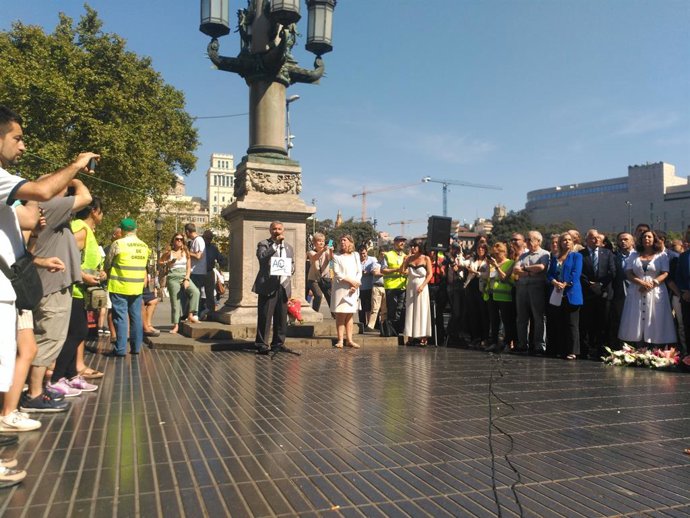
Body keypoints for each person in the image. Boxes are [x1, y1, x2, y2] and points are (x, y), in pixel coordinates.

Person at [0, 105, 98, 482]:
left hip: (11, 290)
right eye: (17, 138)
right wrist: (75, 166)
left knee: (12, 365)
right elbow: (41, 192)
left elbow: (29, 217)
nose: (23, 146)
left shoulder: (10, 190)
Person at [25, 178, 93, 403]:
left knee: (47, 338)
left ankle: (37, 387)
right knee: (50, 338)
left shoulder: (50, 212)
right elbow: (86, 197)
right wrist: (75, 178)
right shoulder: (52, 205)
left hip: (53, 285)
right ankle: (35, 394)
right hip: (53, 287)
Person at [47, 196, 105, 396]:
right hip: (72, 289)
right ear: (94, 211)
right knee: (78, 332)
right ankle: (56, 378)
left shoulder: (85, 230)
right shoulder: (81, 229)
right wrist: (84, 276)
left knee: (77, 332)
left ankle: (71, 375)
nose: (102, 216)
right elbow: (64, 257)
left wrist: (97, 273)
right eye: (101, 211)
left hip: (80, 289)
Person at [618, 230, 677, 346]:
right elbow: (629, 273)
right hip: (637, 290)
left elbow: (665, 273)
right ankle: (638, 347)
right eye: (644, 237)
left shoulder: (662, 255)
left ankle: (655, 348)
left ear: (654, 239)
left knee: (655, 317)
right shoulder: (634, 255)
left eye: (649, 237)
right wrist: (641, 283)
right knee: (636, 317)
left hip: (656, 290)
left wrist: (652, 283)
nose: (646, 239)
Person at [105, 218, 150, 356]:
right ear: (136, 229)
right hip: (136, 287)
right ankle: (136, 348)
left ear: (123, 230)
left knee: (121, 317)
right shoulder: (144, 246)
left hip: (119, 286)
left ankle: (120, 349)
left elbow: (108, 263)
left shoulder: (118, 243)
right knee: (136, 317)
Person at [253, 221, 294, 354]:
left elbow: (292, 264)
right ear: (270, 231)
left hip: (283, 286)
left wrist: (291, 269)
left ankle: (278, 343)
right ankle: (261, 344)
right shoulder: (264, 244)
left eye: (279, 229)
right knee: (265, 316)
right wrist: (275, 245)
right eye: (274, 229)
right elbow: (262, 258)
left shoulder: (288, 247)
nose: (277, 231)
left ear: (283, 230)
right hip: (267, 285)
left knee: (281, 318)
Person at [579, 228, 616, 360]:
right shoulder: (580, 254)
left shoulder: (608, 253)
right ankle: (585, 350)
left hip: (604, 293)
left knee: (603, 324)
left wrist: (600, 285)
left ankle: (602, 350)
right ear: (587, 239)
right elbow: (579, 273)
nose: (596, 240)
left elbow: (612, 271)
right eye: (593, 238)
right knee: (586, 324)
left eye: (598, 238)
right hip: (587, 293)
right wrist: (590, 285)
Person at [546, 232, 583, 360]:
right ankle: (561, 349)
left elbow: (576, 273)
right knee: (559, 323)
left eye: (569, 240)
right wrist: (554, 282)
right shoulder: (556, 257)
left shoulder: (576, 256)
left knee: (572, 324)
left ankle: (573, 351)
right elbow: (549, 274)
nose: (566, 242)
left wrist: (565, 284)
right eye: (564, 240)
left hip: (571, 293)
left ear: (573, 242)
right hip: (557, 293)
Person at [512, 231, 550, 355]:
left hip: (536, 288)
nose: (527, 241)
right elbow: (516, 269)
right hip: (522, 288)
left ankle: (539, 345)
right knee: (521, 318)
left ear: (538, 241)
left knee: (538, 317)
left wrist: (524, 268)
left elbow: (541, 267)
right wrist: (530, 271)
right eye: (527, 239)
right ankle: (522, 344)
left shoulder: (544, 254)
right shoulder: (523, 255)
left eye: (529, 239)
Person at [159, 233, 200, 334]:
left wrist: (186, 278)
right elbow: (160, 261)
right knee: (175, 302)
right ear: (173, 240)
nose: (179, 241)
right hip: (173, 277)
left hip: (183, 276)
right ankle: (176, 325)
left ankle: (190, 315)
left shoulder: (186, 251)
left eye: (181, 239)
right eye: (177, 239)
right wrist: (167, 263)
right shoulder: (169, 252)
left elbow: (188, 267)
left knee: (195, 292)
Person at [331, 235, 362, 348]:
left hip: (353, 289)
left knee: (349, 314)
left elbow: (359, 271)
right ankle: (340, 340)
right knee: (341, 314)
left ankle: (349, 340)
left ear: (350, 242)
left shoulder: (355, 255)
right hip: (341, 288)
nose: (342, 242)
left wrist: (356, 283)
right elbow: (337, 273)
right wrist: (351, 282)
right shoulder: (336, 256)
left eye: (344, 240)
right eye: (341, 240)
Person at [485, 242, 516, 353]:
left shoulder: (510, 263)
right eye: (494, 254)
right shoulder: (493, 263)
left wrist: (496, 266)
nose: (496, 256)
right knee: (494, 320)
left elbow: (504, 278)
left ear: (504, 252)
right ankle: (494, 342)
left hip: (505, 296)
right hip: (492, 295)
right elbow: (488, 277)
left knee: (507, 321)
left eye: (498, 254)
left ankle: (508, 342)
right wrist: (489, 265)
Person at [401, 239, 433, 346]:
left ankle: (423, 337)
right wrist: (404, 261)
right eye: (412, 246)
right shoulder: (409, 258)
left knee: (422, 310)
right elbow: (402, 271)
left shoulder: (426, 258)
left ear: (420, 247)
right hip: (410, 285)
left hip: (421, 286)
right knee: (410, 310)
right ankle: (410, 336)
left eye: (415, 246)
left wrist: (423, 285)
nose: (413, 248)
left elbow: (429, 274)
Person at [610, 232, 634, 349]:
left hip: (635, 293)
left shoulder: (638, 256)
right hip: (619, 294)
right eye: (621, 240)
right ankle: (622, 347)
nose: (623, 242)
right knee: (620, 321)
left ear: (632, 241)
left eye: (626, 239)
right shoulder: (614, 257)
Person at [380, 236, 408, 336]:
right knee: (391, 309)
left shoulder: (406, 256)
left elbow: (407, 270)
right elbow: (383, 270)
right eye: (400, 241)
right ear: (395, 242)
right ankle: (390, 330)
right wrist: (397, 270)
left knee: (400, 309)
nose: (402, 243)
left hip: (402, 286)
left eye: (403, 241)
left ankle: (396, 330)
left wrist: (406, 272)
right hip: (391, 286)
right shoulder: (388, 255)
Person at [464, 242, 490, 347]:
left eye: (483, 248)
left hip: (482, 289)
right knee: (473, 314)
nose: (481, 249)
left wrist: (476, 273)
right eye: (479, 248)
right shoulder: (472, 259)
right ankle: (475, 337)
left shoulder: (488, 261)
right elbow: (463, 263)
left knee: (483, 314)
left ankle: (484, 338)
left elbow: (487, 274)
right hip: (471, 288)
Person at [306, 233, 332, 312]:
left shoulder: (326, 252)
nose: (321, 243)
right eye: (319, 241)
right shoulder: (310, 252)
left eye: (323, 241)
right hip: (313, 278)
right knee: (318, 295)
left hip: (325, 279)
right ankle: (315, 312)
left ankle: (335, 315)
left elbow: (331, 258)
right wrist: (323, 250)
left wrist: (330, 251)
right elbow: (315, 257)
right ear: (314, 243)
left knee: (330, 297)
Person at [201, 229, 223, 319]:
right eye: (207, 238)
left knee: (210, 295)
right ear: (203, 237)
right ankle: (195, 313)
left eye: (210, 238)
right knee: (196, 293)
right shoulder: (199, 246)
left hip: (209, 272)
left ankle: (211, 314)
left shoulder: (213, 248)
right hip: (198, 272)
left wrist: (223, 261)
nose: (208, 240)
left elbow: (220, 258)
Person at [185, 223, 206, 315]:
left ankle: (195, 314)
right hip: (196, 271)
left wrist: (187, 252)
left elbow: (198, 256)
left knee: (195, 293)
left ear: (187, 232)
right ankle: (193, 314)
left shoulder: (199, 240)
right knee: (193, 294)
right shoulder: (195, 241)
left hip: (198, 272)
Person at [676, 228, 690, 356]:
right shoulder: (684, 256)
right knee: (687, 327)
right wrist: (684, 292)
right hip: (686, 298)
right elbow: (678, 277)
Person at [358, 245, 378, 332]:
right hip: (360, 288)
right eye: (361, 254)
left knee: (369, 307)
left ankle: (370, 325)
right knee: (361, 308)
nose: (363, 255)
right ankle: (362, 325)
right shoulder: (356, 261)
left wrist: (369, 272)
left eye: (364, 253)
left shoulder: (372, 260)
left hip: (370, 286)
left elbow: (377, 269)